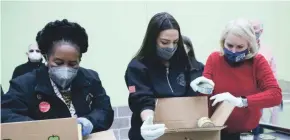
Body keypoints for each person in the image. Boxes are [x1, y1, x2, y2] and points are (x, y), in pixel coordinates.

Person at [1, 19, 114, 136]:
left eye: (72, 64)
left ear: (80, 60)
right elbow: (6, 115)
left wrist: (89, 121)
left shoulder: (91, 79)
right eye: (58, 63)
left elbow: (104, 110)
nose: (65, 69)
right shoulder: (24, 84)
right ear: (47, 58)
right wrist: (46, 129)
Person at [124, 12, 213, 140]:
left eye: (175, 42)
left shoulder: (186, 62)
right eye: (164, 42)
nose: (171, 47)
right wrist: (148, 121)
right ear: (152, 40)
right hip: (151, 132)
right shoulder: (137, 67)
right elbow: (141, 98)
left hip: (182, 132)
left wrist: (203, 84)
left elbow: (198, 77)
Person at [203, 18, 282, 140]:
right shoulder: (214, 59)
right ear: (223, 42)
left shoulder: (257, 62)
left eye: (240, 47)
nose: (233, 51)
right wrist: (201, 87)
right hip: (218, 132)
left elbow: (275, 95)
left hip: (247, 133)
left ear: (249, 45)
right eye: (229, 45)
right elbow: (204, 97)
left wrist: (241, 101)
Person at [250, 20, 282, 135]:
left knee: (260, 127)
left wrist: (276, 91)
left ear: (261, 31)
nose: (253, 32)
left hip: (263, 94)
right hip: (247, 94)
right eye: (250, 28)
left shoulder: (267, 51)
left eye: (255, 29)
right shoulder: (242, 47)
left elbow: (273, 73)